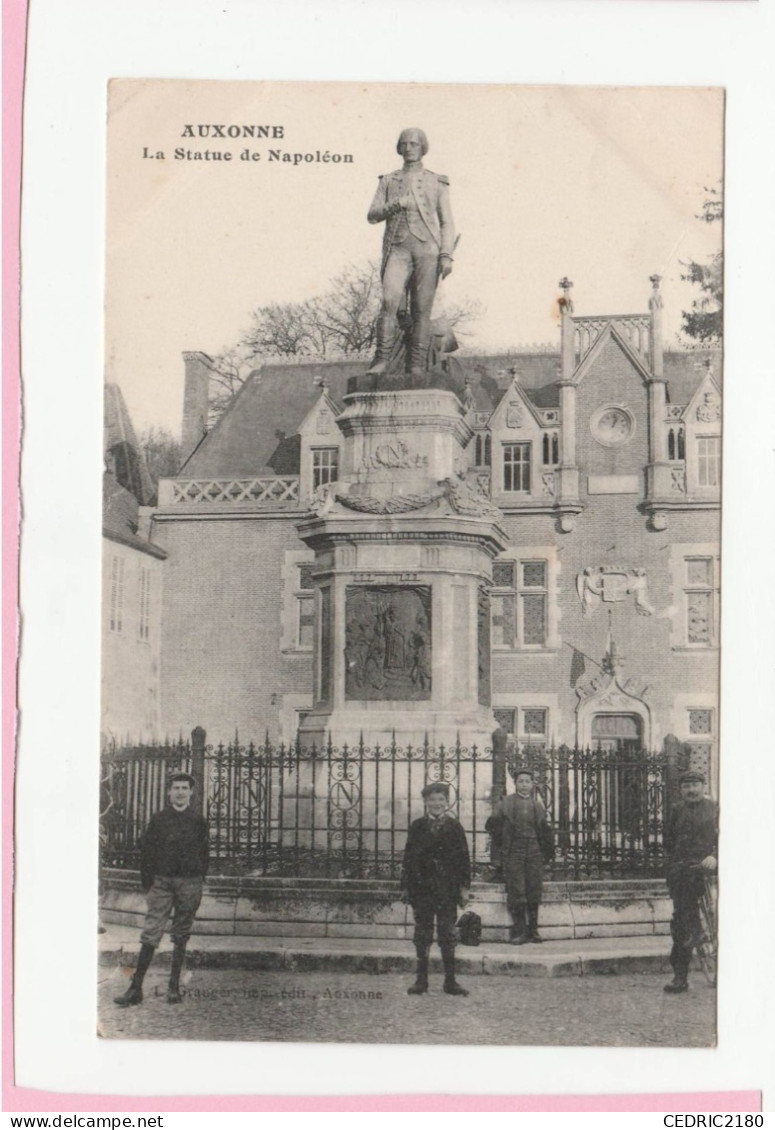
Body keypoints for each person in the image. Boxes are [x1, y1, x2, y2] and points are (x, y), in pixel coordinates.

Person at [367, 127, 456, 382]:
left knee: (421, 310)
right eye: (404, 144)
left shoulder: (436, 181)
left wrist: (446, 254)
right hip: (397, 247)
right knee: (389, 302)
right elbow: (372, 215)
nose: (408, 148)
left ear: (422, 147)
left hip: (427, 248)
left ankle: (416, 365)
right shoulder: (388, 180)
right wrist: (396, 204)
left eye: (413, 144)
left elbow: (447, 222)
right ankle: (382, 359)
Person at [114, 771, 209, 1007]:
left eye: (184, 788)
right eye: (175, 788)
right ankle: (135, 989)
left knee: (181, 934)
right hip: (162, 883)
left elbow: (204, 853)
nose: (179, 792)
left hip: (189, 883)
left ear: (191, 792)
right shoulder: (158, 820)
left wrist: (198, 879)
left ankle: (173, 988)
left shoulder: (198, 821)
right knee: (151, 932)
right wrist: (149, 883)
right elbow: (147, 851)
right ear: (169, 792)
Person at [400, 781, 471, 996]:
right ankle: (421, 981)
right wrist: (405, 887)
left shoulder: (454, 826)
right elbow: (409, 858)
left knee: (447, 934)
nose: (436, 803)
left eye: (441, 800)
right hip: (422, 889)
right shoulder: (417, 826)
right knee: (422, 934)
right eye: (432, 800)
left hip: (447, 890)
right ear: (425, 802)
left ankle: (451, 981)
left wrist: (464, 888)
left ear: (447, 802)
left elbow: (464, 859)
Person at [663, 768, 718, 994]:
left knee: (714, 915)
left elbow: (731, 836)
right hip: (684, 870)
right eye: (686, 786)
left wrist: (715, 856)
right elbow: (668, 842)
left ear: (703, 787)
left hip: (709, 868)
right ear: (681, 790)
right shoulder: (676, 811)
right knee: (681, 922)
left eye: (695, 785)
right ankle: (680, 977)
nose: (691, 790)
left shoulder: (715, 809)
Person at [486, 766, 555, 945]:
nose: (524, 785)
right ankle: (519, 930)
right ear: (515, 784)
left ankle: (533, 929)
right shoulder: (506, 803)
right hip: (514, 850)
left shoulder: (537, 805)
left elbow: (544, 831)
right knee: (517, 890)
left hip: (534, 850)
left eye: (527, 782)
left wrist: (545, 853)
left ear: (532, 785)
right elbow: (492, 825)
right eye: (520, 781)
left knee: (534, 889)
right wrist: (504, 839)